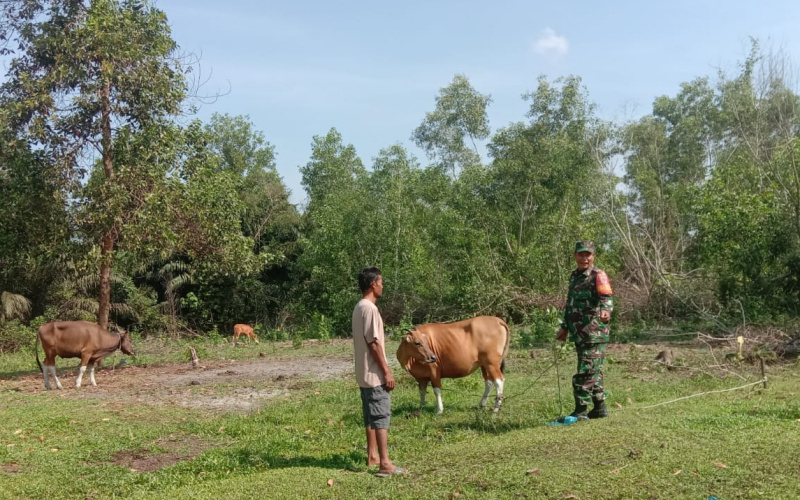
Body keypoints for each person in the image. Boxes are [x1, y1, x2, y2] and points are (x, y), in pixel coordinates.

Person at [352, 267, 407, 477]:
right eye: (381, 281)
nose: (383, 285)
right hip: (374, 375)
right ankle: (385, 463)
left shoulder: (358, 307)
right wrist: (387, 372)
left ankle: (372, 456)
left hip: (363, 374)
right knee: (381, 416)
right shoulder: (371, 309)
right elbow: (374, 344)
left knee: (370, 416)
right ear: (373, 284)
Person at [556, 240, 614, 420]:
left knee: (585, 371)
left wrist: (606, 311)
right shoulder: (574, 276)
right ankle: (599, 408)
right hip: (579, 333)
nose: (584, 258)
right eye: (581, 254)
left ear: (593, 256)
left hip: (594, 333)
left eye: (587, 254)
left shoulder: (598, 275)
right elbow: (570, 305)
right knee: (593, 370)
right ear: (575, 256)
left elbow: (606, 297)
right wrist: (564, 327)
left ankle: (581, 410)